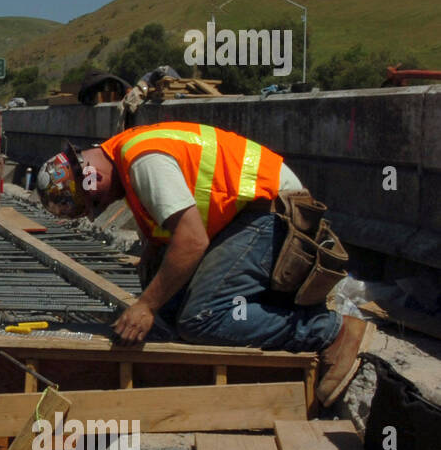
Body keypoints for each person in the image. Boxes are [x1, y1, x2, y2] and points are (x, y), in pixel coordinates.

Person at [35, 120, 373, 406]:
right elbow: (166, 237)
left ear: (94, 179)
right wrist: (155, 283)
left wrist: (146, 305)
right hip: (240, 215)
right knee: (165, 297)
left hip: (268, 208)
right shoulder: (125, 155)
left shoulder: (143, 161)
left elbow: (192, 241)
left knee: (200, 319)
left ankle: (332, 332)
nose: (105, 203)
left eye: (97, 201)